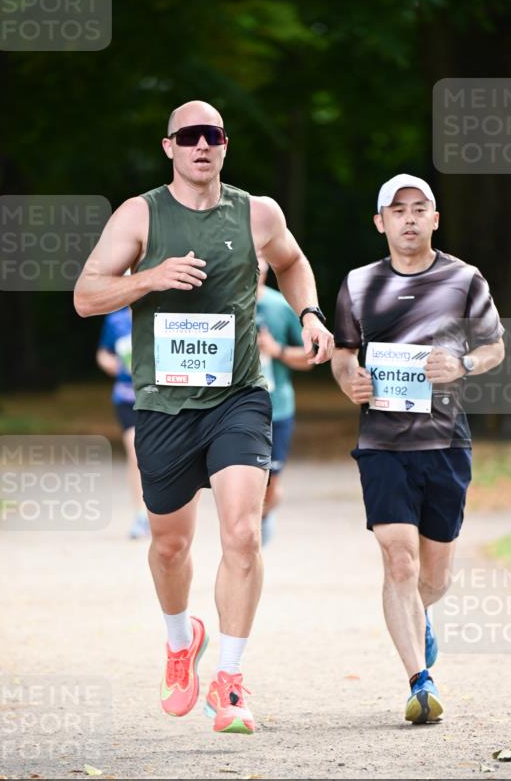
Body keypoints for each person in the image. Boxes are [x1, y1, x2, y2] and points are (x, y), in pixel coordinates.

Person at [74, 100, 333, 735]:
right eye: (188, 136)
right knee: (170, 544)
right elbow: (85, 296)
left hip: (239, 395)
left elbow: (294, 263)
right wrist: (150, 276)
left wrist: (310, 315)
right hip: (162, 402)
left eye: (211, 136)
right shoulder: (140, 214)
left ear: (224, 145)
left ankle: (231, 679)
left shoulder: (257, 213)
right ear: (169, 147)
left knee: (243, 532)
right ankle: (178, 641)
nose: (201, 146)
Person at [331, 174, 505, 724]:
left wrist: (465, 364)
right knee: (398, 559)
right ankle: (419, 682)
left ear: (435, 218)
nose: (409, 218)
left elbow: (495, 346)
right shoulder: (359, 284)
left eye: (419, 208)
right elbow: (342, 356)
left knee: (434, 578)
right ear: (380, 222)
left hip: (445, 441)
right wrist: (349, 381)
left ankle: (416, 615)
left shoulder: (464, 278)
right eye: (397, 210)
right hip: (381, 443)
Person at [256, 254, 312, 546]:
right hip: (230, 409)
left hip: (276, 409)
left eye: (259, 261)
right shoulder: (217, 302)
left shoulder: (279, 306)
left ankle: (262, 518)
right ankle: (245, 535)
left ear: (267, 266)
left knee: (270, 485)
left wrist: (275, 350)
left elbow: (309, 357)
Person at [96, 305, 150, 539]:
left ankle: (160, 514)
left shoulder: (160, 314)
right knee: (135, 451)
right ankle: (141, 515)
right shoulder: (115, 320)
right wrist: (108, 362)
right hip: (126, 397)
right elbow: (103, 352)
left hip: (157, 398)